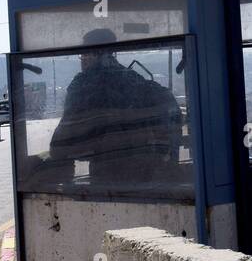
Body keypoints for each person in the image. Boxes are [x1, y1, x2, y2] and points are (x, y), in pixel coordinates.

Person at [49, 28, 183, 190]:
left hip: (106, 175)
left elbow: (63, 140)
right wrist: (167, 155)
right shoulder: (133, 79)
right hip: (144, 174)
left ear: (95, 54)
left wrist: (59, 172)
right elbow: (170, 107)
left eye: (84, 54)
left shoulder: (83, 85)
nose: (82, 59)